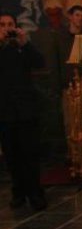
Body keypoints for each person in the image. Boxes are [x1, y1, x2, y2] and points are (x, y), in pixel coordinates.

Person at [0, 12, 47, 210]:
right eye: (3, 24)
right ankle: (18, 192)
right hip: (5, 111)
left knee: (30, 153)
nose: (7, 28)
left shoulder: (22, 47)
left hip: (26, 111)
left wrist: (24, 43)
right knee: (12, 155)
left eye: (10, 24)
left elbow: (39, 62)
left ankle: (35, 193)